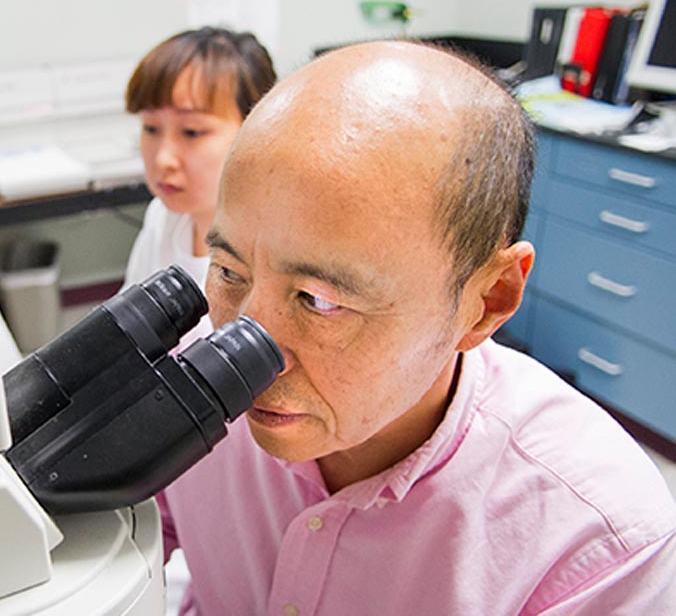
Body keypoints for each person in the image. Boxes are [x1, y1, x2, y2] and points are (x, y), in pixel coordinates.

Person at [158, 40, 676, 615]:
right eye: (230, 272)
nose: (244, 351)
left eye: (318, 300)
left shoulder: (598, 542)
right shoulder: (183, 382)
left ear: (487, 301)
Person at [122, 27, 276, 346]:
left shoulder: (275, 254)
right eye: (151, 128)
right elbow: (126, 333)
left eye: (191, 132)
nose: (163, 158)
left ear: (258, 129)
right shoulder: (163, 218)